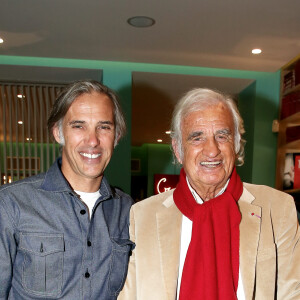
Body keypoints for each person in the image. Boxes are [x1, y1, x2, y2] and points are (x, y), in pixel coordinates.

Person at [119, 88, 300, 300]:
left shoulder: (277, 209)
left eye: (222, 136)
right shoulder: (142, 216)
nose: (212, 150)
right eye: (197, 138)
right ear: (178, 150)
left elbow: (294, 293)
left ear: (236, 144)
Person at [0, 80, 134, 300]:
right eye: (78, 125)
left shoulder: (127, 210)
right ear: (58, 133)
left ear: (116, 136)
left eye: (104, 127)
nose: (93, 140)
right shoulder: (10, 204)